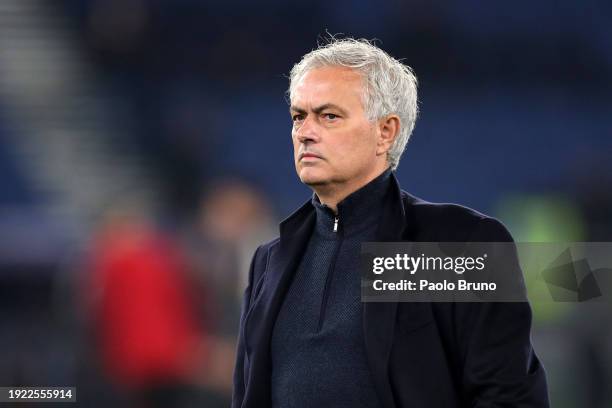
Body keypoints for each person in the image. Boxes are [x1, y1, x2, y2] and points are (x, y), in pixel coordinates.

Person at [232, 38, 549, 407]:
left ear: (386, 131)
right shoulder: (270, 261)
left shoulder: (455, 244)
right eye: (298, 116)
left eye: (328, 116)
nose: (305, 132)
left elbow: (507, 396)